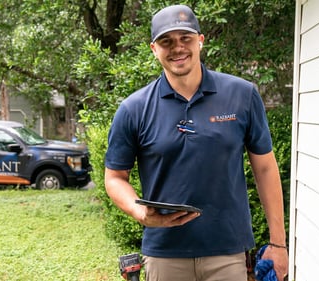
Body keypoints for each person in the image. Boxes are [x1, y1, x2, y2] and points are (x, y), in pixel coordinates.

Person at [104, 4, 289, 281]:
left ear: (200, 41)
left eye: (185, 38)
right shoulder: (133, 109)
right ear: (154, 48)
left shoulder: (242, 95)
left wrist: (278, 244)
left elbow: (265, 168)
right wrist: (139, 211)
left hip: (228, 252)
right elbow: (114, 177)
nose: (177, 48)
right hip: (164, 253)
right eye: (167, 41)